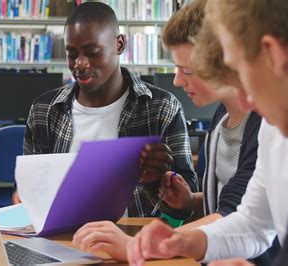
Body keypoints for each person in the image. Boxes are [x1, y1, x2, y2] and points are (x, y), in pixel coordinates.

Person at [72, 1, 273, 263]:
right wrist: (192, 201)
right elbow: (247, 209)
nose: (177, 80)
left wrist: (140, 246)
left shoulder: (266, 125)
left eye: (187, 70)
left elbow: (239, 217)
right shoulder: (222, 115)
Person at [126, 0, 288, 265]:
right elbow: (253, 222)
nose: (244, 103)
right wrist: (183, 242)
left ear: (273, 54)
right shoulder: (273, 128)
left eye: (239, 74)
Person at [14, 1, 198, 220]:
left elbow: (186, 206)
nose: (79, 64)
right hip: (61, 240)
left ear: (119, 44)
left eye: (92, 52)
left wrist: (157, 182)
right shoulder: (44, 110)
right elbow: (31, 193)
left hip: (132, 242)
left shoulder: (162, 108)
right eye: (72, 54)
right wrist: (26, 195)